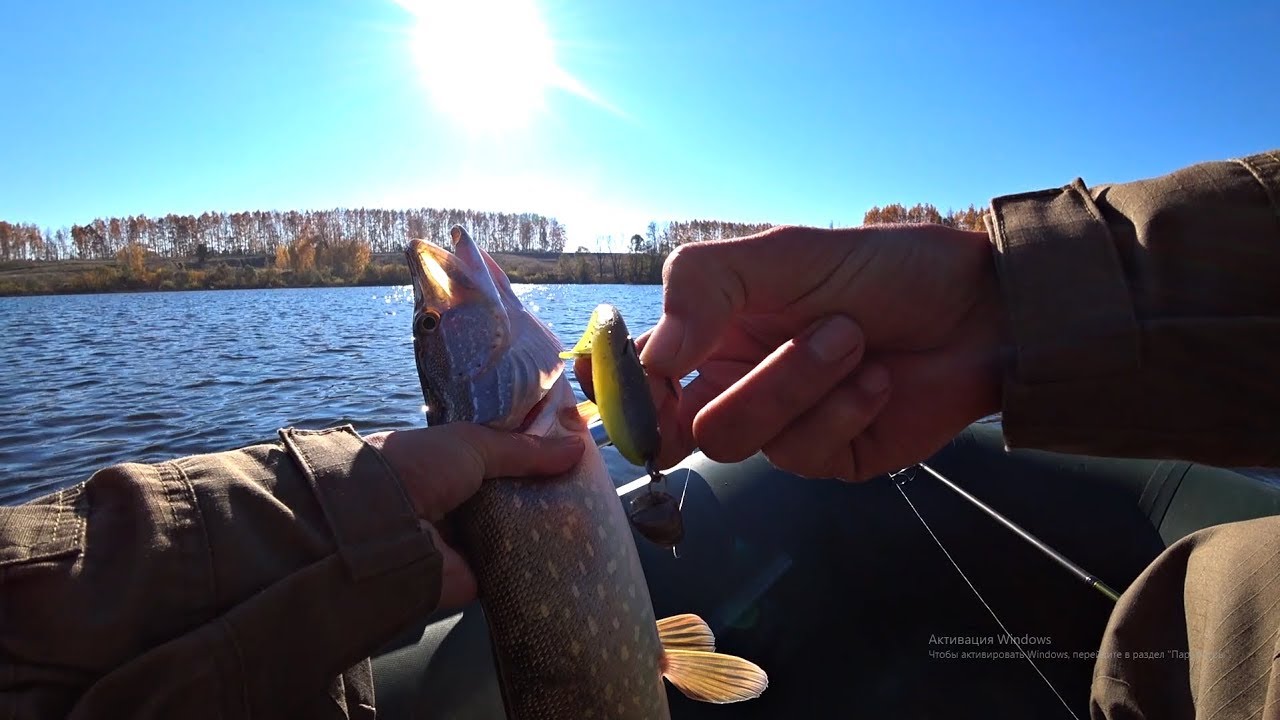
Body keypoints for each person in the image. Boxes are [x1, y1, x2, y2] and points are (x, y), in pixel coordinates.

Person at [1, 147, 1275, 718]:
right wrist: (993, 296)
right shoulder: (527, 428)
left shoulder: (539, 415)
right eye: (438, 338)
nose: (449, 304)